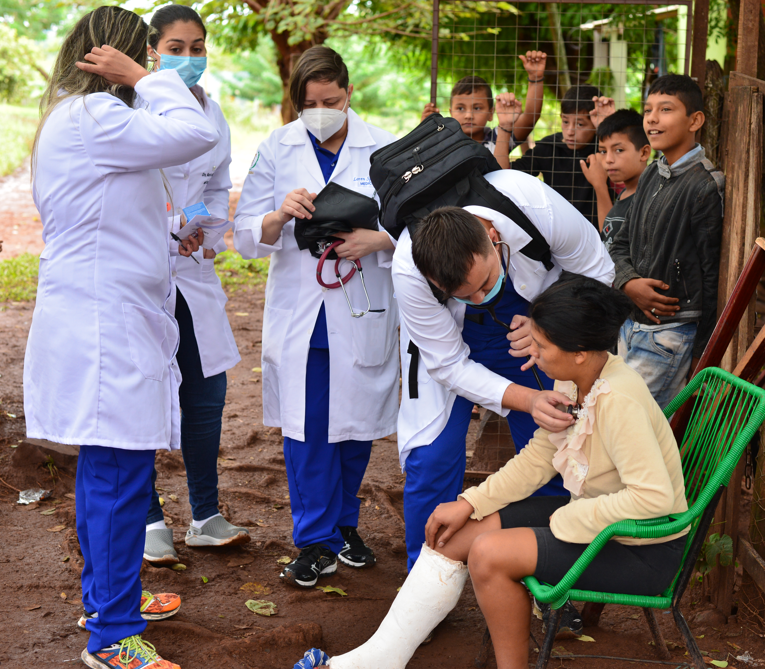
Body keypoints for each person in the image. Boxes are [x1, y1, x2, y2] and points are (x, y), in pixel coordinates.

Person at [300, 275, 688, 669]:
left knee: (489, 555)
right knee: (451, 536)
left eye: (541, 345)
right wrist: (469, 502)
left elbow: (652, 498)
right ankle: (380, 659)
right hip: (596, 518)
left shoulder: (619, 400)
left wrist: (567, 518)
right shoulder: (576, 379)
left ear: (579, 353)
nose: (531, 351)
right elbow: (539, 457)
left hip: (642, 549)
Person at [24, 6, 219, 669]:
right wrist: (145, 77)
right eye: (147, 54)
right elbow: (194, 131)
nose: (163, 66)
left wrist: (169, 233)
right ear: (113, 57)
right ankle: (112, 635)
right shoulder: (99, 115)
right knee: (116, 476)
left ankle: (112, 598)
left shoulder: (80, 120)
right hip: (104, 325)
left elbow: (102, 213)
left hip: (106, 315)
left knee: (111, 474)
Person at [393, 169, 615, 575]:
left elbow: (599, 273)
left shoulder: (533, 205)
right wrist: (526, 398)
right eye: (464, 294)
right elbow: (448, 364)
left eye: (485, 282)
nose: (480, 298)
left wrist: (545, 323)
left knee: (551, 448)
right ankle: (426, 584)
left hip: (527, 327)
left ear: (494, 240)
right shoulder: (409, 269)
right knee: (432, 458)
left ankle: (546, 574)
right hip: (448, 343)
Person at [234, 46, 400, 588]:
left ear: (350, 94)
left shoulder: (385, 147)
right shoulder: (277, 147)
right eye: (310, 103)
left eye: (331, 100)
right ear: (296, 103)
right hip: (303, 313)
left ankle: (345, 527)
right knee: (308, 431)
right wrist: (280, 213)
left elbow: (419, 224)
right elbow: (243, 235)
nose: (322, 110)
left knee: (355, 427)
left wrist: (379, 238)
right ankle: (314, 540)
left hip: (362, 305)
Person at [139, 4, 246, 567]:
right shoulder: (130, 106)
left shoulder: (214, 112)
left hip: (194, 270)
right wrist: (169, 227)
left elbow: (220, 182)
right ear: (152, 50)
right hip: (143, 268)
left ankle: (205, 514)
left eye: (197, 47)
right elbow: (124, 190)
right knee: (146, 392)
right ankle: (150, 518)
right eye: (176, 48)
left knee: (206, 394)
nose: (188, 58)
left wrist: (201, 230)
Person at [610, 74, 724, 409]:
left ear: (695, 121)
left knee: (625, 423)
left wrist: (704, 355)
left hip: (671, 334)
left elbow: (711, 276)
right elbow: (619, 244)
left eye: (666, 109)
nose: (652, 119)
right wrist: (628, 282)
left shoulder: (704, 187)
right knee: (630, 428)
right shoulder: (650, 174)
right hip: (631, 323)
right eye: (648, 110)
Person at [511, 85, 616, 228]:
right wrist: (505, 128)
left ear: (594, 121)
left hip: (599, 233)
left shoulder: (604, 150)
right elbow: (508, 174)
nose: (570, 131)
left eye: (580, 124)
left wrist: (607, 128)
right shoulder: (549, 147)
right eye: (565, 122)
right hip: (555, 233)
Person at [421, 52, 547, 169]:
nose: (468, 115)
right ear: (450, 112)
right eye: (460, 108)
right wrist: (423, 132)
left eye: (477, 108)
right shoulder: (443, 141)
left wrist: (536, 78)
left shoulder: (498, 137)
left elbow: (530, 118)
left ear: (490, 113)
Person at [580, 108, 651, 242]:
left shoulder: (650, 198)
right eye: (603, 151)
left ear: (644, 153)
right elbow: (609, 235)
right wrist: (599, 184)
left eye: (619, 150)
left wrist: (600, 184)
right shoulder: (626, 192)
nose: (608, 159)